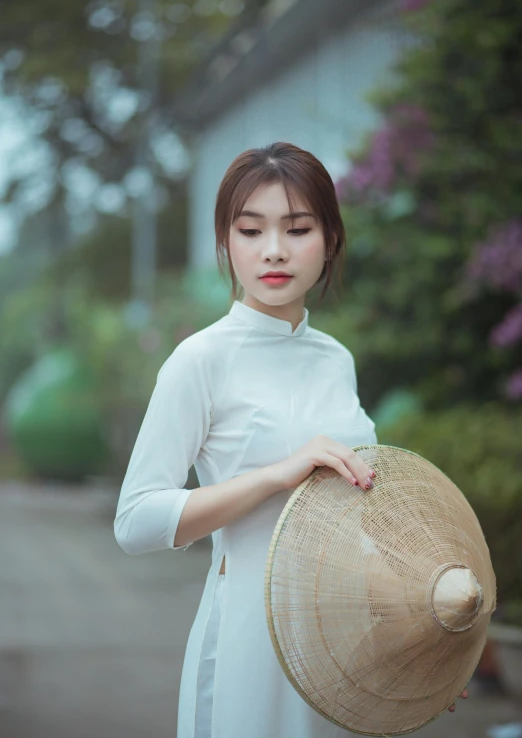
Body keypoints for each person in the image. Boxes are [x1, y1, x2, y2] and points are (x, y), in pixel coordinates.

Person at [114, 141, 467, 738]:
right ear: (225, 243)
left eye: (298, 228)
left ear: (330, 239)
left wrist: (421, 635)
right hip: (252, 638)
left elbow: (361, 521)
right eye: (250, 230)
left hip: (345, 644)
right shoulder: (200, 360)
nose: (274, 250)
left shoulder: (336, 360)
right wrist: (280, 474)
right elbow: (135, 521)